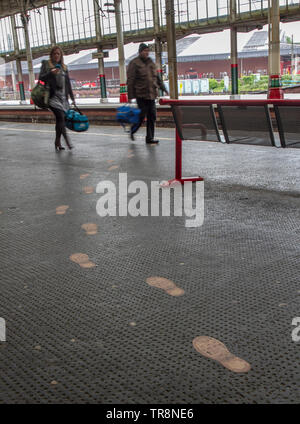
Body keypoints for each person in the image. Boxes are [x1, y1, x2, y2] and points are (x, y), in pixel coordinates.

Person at [127, 43, 169, 144]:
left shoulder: (151, 62)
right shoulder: (134, 63)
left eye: (147, 51)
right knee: (141, 117)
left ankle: (149, 138)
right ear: (140, 52)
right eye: (144, 51)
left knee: (152, 116)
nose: (146, 53)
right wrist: (130, 96)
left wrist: (164, 88)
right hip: (141, 95)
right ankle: (132, 131)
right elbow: (130, 80)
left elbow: (157, 77)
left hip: (151, 95)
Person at [39, 46, 75, 151]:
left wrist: (72, 97)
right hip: (52, 97)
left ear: (61, 55)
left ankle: (57, 141)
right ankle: (67, 141)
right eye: (54, 53)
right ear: (51, 55)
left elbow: (68, 83)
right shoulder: (47, 65)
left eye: (58, 54)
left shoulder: (64, 67)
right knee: (60, 117)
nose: (56, 55)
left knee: (60, 119)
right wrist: (51, 73)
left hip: (63, 98)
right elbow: (41, 78)